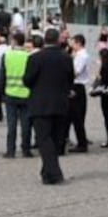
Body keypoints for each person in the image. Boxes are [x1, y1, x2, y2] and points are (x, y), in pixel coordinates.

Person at [24, 28, 74, 185]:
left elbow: (27, 80)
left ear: (45, 40)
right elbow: (70, 79)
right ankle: (47, 173)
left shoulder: (35, 58)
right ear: (58, 40)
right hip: (60, 103)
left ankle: (54, 173)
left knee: (44, 139)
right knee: (55, 139)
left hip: (40, 104)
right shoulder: (66, 58)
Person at [0, 32, 32, 158]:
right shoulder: (28, 56)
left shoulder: (7, 55)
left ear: (14, 41)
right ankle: (26, 149)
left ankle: (10, 150)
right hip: (26, 94)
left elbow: (2, 76)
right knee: (26, 124)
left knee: (11, 124)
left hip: (10, 93)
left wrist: (1, 93)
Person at [68, 34, 91, 153]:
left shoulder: (82, 56)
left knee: (77, 116)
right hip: (76, 85)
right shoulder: (77, 54)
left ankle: (82, 143)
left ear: (78, 43)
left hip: (77, 86)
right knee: (73, 115)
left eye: (73, 43)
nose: (71, 45)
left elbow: (76, 72)